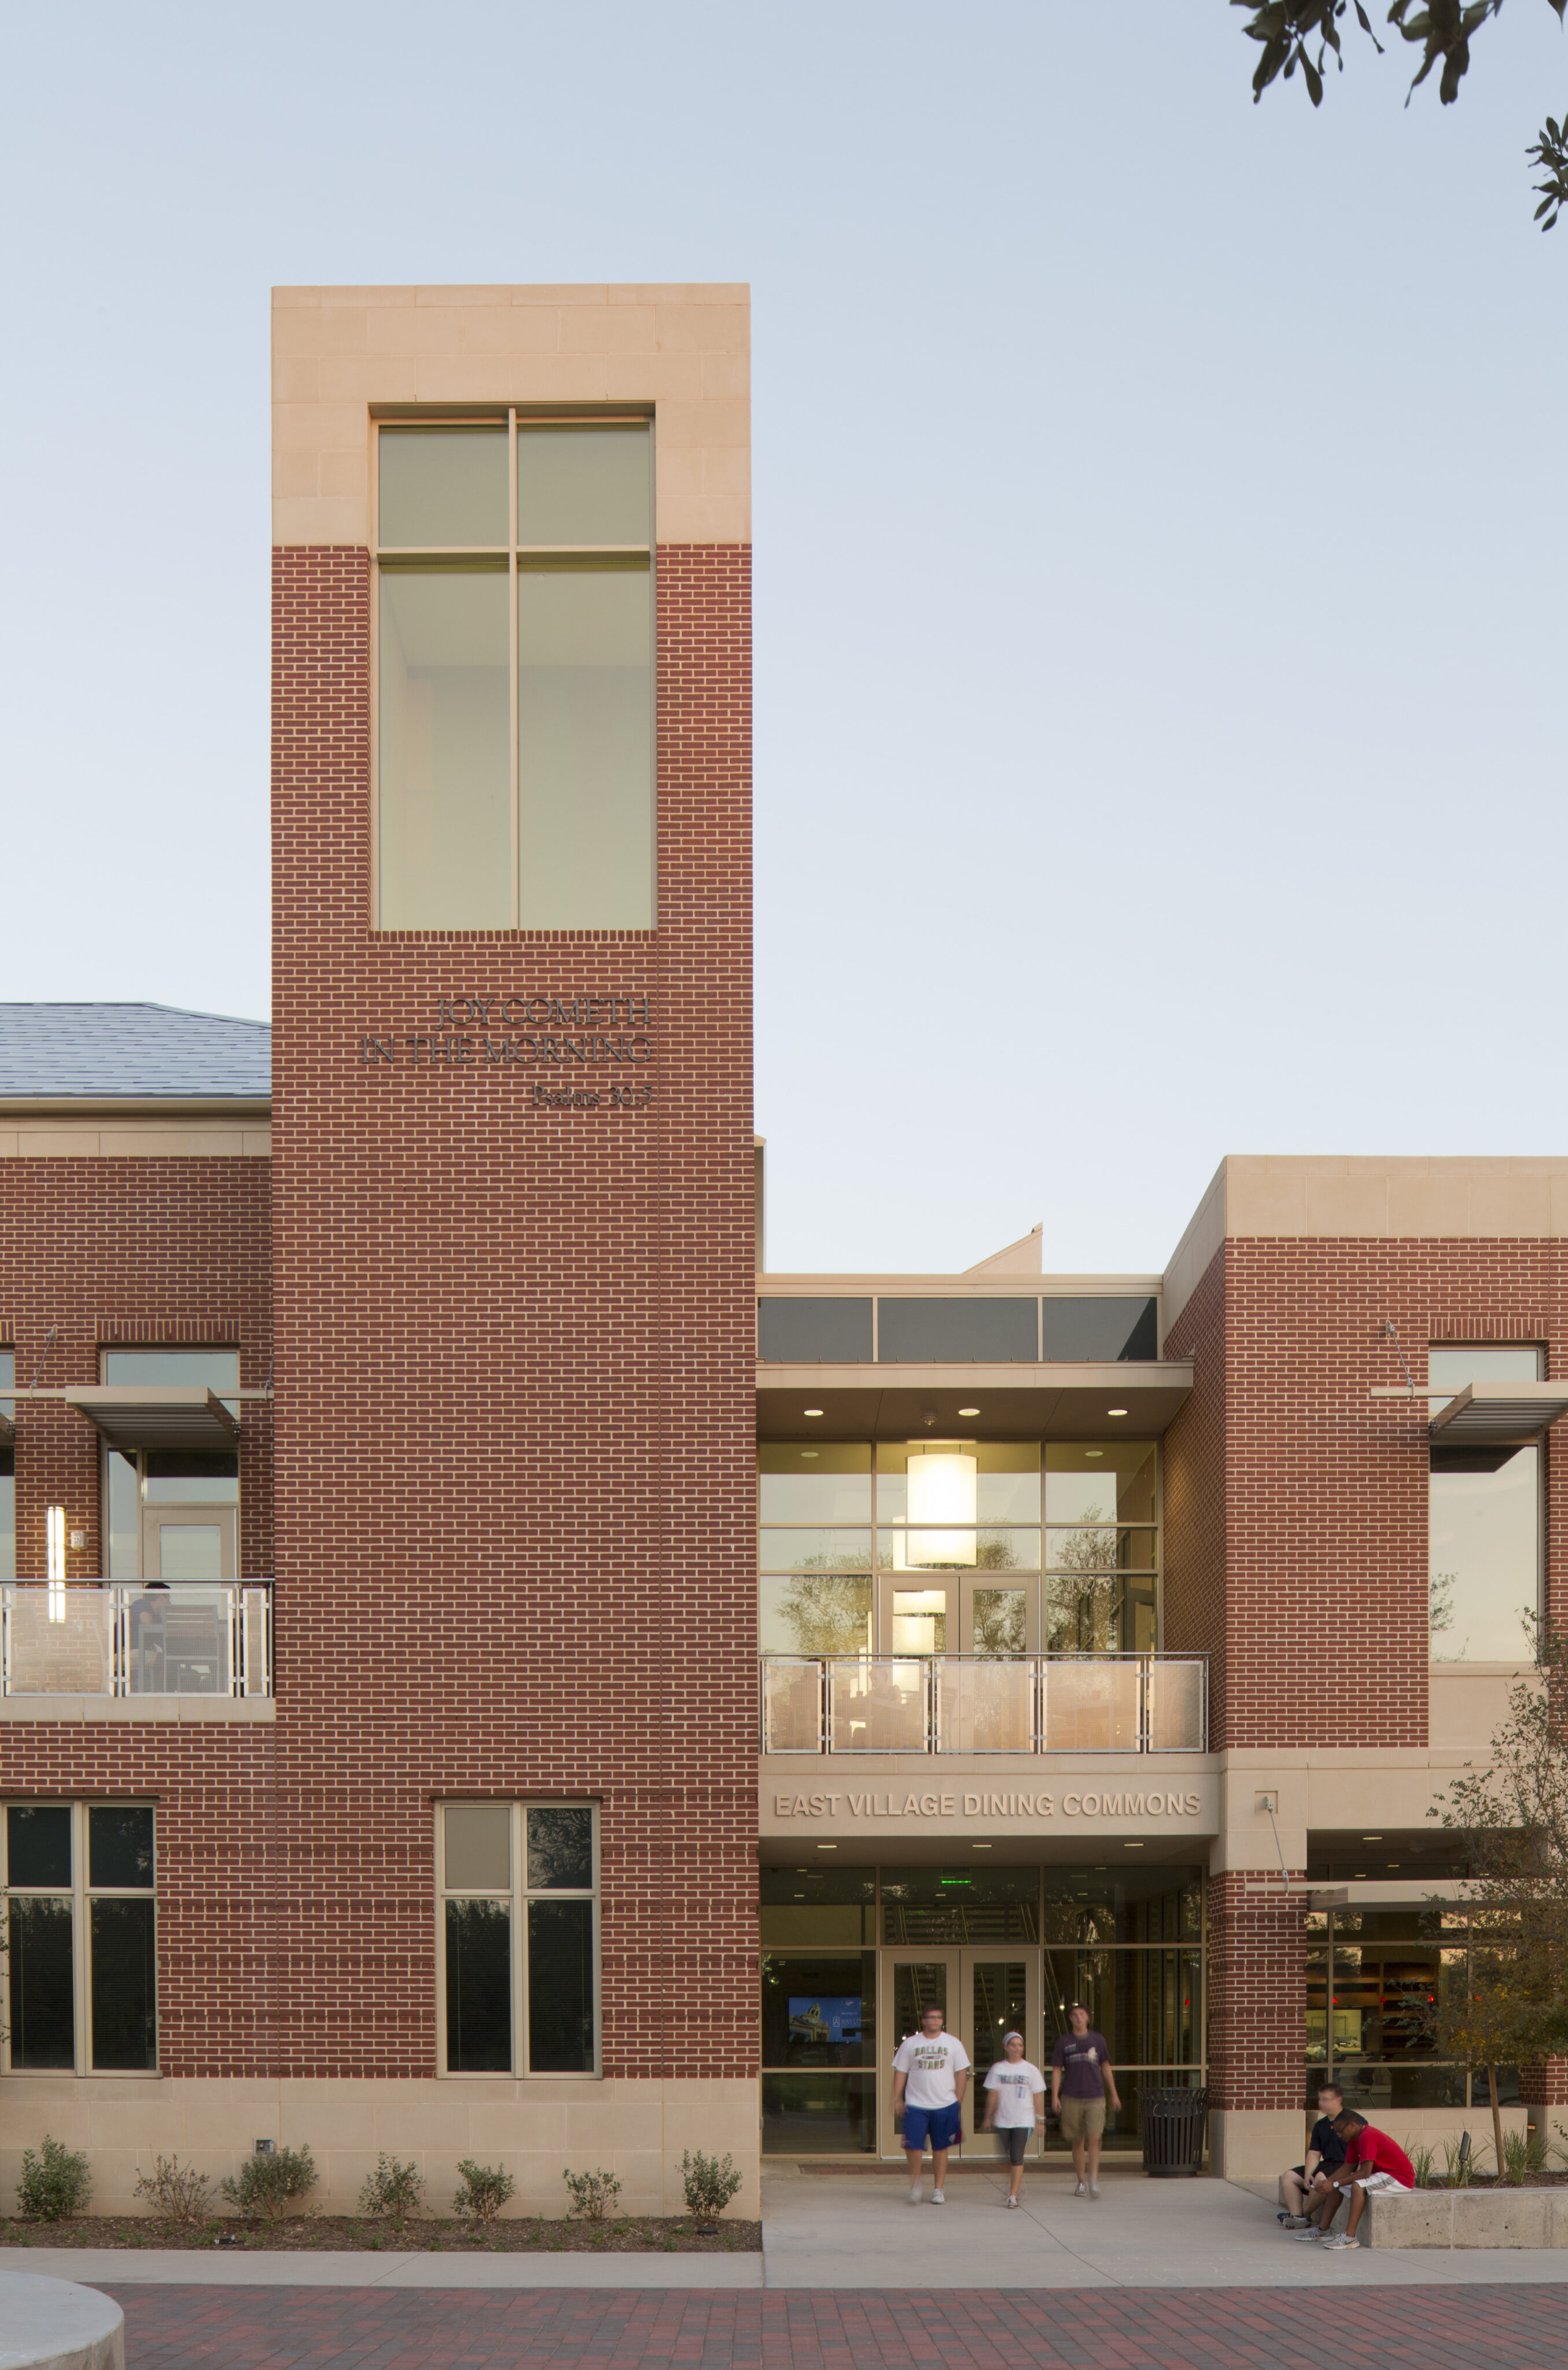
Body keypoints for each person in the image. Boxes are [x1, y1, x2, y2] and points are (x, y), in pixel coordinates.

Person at [1292, 2109, 1415, 2249]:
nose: (1338, 2135)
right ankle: (1323, 2230)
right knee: (1337, 2187)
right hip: (1383, 2174)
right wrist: (1329, 2182)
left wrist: (1334, 2183)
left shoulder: (1367, 2137)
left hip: (1400, 2177)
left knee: (1358, 2186)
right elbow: (1348, 2167)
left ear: (1352, 2125)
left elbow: (1365, 2173)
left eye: (1340, 2131)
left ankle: (1350, 2237)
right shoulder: (1353, 2140)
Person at [891, 2001, 971, 2205]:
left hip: (945, 2104)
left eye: (939, 2018)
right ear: (924, 2020)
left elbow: (962, 2073)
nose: (935, 2021)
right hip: (916, 2104)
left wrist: (958, 2100)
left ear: (942, 2021)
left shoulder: (953, 2043)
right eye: (931, 2017)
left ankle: (938, 2189)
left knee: (940, 2147)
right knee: (913, 2146)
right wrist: (897, 2097)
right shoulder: (910, 2043)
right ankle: (917, 2183)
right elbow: (901, 2072)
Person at [1050, 2002, 1121, 2198]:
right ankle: (1081, 2181)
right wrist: (1055, 2095)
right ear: (1071, 2018)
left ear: (1088, 2017)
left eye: (1082, 2014)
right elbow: (1056, 2070)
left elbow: (1106, 2067)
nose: (1079, 2018)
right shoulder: (1064, 2042)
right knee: (1078, 2139)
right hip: (1072, 2096)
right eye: (1075, 2015)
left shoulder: (1098, 2040)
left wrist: (1114, 2093)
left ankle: (1094, 2179)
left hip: (1095, 2096)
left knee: (1095, 2137)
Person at [980, 2029, 1047, 2208]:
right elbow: (993, 2094)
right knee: (1005, 2159)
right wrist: (988, 2117)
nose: (1017, 2049)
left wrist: (1041, 2120)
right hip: (1003, 2119)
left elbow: (1038, 2095)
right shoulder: (998, 2069)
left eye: (1020, 2045)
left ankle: (1013, 2195)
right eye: (1013, 2045)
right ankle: (1016, 2183)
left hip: (1023, 2120)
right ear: (1006, 2047)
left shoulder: (1030, 2070)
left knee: (1016, 2157)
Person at [1277, 2080, 1347, 2229]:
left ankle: (1304, 2216)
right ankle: (1296, 2215)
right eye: (1320, 2099)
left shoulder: (1352, 2120)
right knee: (1288, 2177)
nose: (1321, 2103)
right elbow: (1314, 2153)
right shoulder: (1320, 2125)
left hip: (1345, 2165)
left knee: (1320, 2178)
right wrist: (1308, 2174)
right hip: (1327, 2164)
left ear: (1338, 2100)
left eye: (1326, 2099)